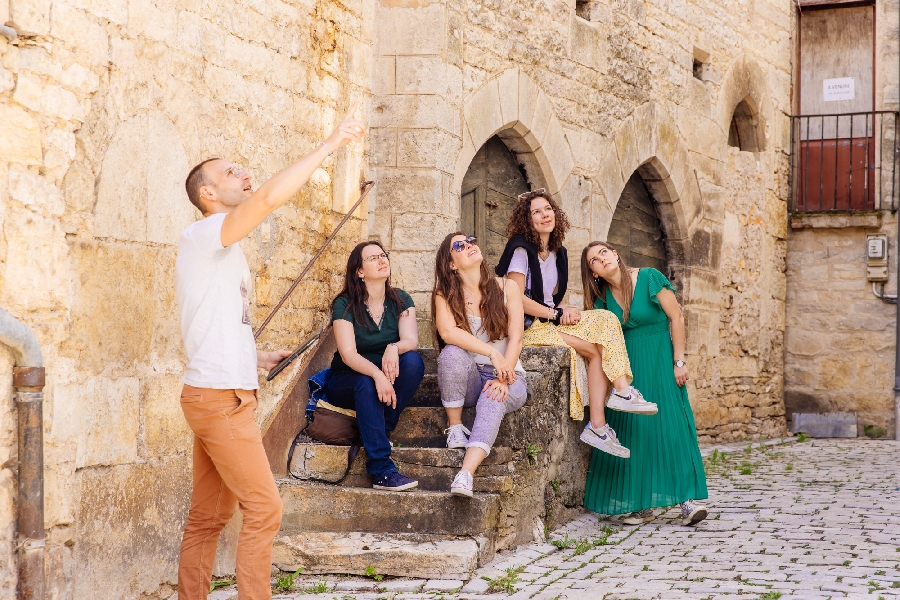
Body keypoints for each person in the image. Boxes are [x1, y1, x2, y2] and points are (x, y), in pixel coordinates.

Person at [175, 104, 365, 599]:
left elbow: (210, 321)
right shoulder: (204, 233)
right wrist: (330, 144)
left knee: (210, 516)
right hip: (221, 399)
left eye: (241, 167)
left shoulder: (220, 249)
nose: (242, 172)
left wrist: (251, 353)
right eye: (228, 171)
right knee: (265, 509)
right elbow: (265, 200)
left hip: (219, 389)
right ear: (208, 194)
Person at [495, 189, 657, 459]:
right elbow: (517, 300)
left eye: (547, 209)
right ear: (527, 219)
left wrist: (564, 311)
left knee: (604, 323)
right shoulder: (521, 250)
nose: (544, 215)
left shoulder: (559, 253)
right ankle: (607, 413)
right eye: (536, 211)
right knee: (592, 349)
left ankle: (611, 405)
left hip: (548, 321)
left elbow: (550, 302)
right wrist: (556, 315)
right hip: (525, 327)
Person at [580, 241, 708, 526]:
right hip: (627, 371)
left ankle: (686, 501)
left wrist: (679, 361)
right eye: (593, 260)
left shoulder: (649, 277)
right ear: (594, 273)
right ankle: (640, 506)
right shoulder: (601, 299)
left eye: (604, 252)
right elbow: (597, 337)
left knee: (672, 426)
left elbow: (676, 317)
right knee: (635, 432)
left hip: (660, 360)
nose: (601, 259)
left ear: (615, 254)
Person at [431, 232, 527, 497]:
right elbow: (448, 332)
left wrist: (503, 375)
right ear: (451, 263)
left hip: (510, 375)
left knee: (493, 396)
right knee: (451, 352)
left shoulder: (508, 287)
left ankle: (466, 474)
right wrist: (490, 353)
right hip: (471, 377)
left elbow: (516, 338)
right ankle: (455, 427)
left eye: (471, 240)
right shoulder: (445, 294)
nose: (470, 245)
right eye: (459, 246)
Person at [325, 240, 425, 491]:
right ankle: (381, 470)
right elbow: (348, 355)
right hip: (348, 379)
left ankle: (380, 429)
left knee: (413, 362)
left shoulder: (401, 299)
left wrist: (393, 348)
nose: (382, 261)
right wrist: (377, 375)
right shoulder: (344, 304)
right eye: (373, 258)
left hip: (386, 373)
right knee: (366, 382)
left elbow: (410, 341)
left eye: (383, 255)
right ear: (359, 271)